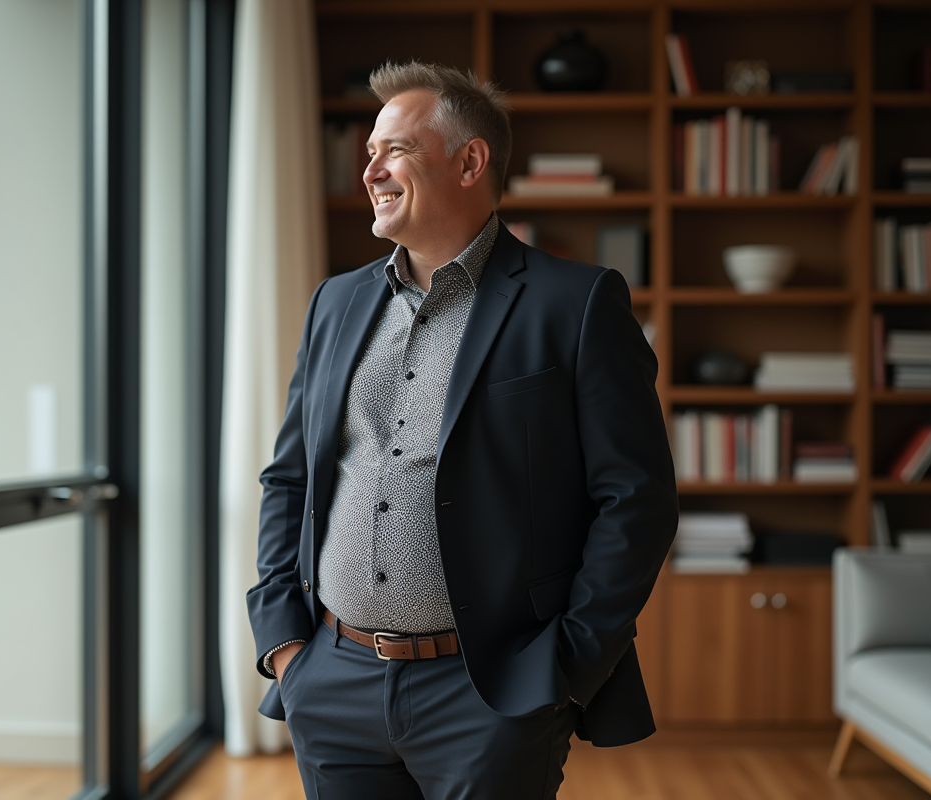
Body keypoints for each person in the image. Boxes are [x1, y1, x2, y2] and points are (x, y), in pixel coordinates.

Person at [247, 61, 678, 800]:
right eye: (370, 152)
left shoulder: (574, 304)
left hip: (492, 692)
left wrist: (564, 667)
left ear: (470, 160)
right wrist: (286, 644)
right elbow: (292, 476)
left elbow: (635, 500)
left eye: (395, 151)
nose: (371, 170)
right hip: (333, 680)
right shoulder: (336, 303)